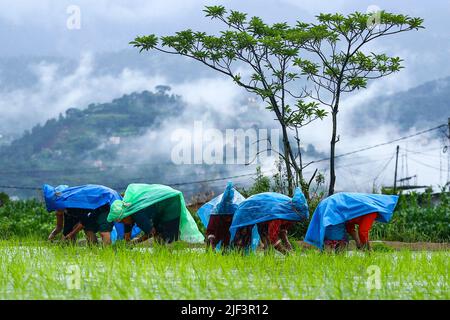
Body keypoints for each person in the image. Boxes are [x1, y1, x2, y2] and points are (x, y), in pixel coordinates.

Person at [107, 183, 204, 245]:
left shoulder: (137, 214)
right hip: (159, 207)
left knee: (167, 239)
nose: (122, 222)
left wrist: (135, 243)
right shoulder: (128, 212)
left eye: (122, 220)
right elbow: (127, 232)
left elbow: (151, 233)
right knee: (159, 235)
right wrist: (125, 244)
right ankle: (164, 252)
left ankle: (171, 256)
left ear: (125, 215)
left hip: (170, 202)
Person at [304, 193, 399, 252]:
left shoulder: (363, 205)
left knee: (328, 246)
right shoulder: (372, 210)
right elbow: (363, 231)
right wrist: (368, 249)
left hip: (327, 206)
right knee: (340, 248)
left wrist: (358, 243)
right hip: (333, 209)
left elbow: (350, 226)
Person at [230, 187, 309, 254]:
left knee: (266, 240)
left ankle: (267, 258)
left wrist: (287, 243)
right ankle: (235, 258)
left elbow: (282, 230)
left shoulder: (288, 215)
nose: (296, 222)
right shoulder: (278, 214)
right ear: (295, 214)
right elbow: (273, 238)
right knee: (241, 241)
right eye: (298, 219)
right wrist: (287, 254)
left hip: (264, 215)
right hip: (248, 210)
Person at [43, 184, 121, 245]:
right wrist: (52, 236)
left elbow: (84, 221)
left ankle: (105, 253)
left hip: (104, 204)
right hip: (94, 210)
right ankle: (93, 251)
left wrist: (72, 234)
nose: (57, 211)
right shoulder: (64, 209)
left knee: (103, 231)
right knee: (88, 230)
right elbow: (61, 227)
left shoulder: (75, 205)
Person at [197, 182, 245, 250]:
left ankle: (213, 250)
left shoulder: (217, 206)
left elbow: (212, 222)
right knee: (223, 239)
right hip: (221, 225)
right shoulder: (233, 207)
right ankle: (217, 250)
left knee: (214, 237)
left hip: (217, 224)